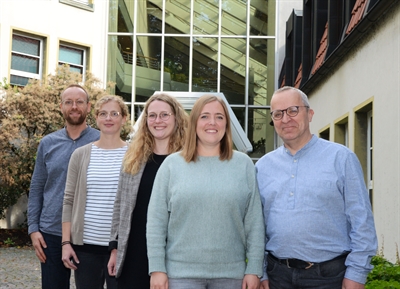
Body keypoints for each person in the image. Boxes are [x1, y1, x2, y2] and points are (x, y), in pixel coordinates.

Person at [256, 86, 377, 289]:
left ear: (310, 114)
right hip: (277, 277)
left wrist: (357, 273)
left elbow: (361, 221)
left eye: (293, 110)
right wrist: (260, 273)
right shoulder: (262, 167)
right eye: (278, 114)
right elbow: (256, 227)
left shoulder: (341, 158)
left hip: (329, 278)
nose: (286, 119)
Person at [146, 94, 265, 289]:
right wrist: (157, 268)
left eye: (219, 117)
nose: (212, 122)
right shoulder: (171, 165)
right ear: (193, 123)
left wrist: (254, 269)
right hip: (181, 276)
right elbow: (156, 222)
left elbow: (254, 222)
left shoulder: (243, 165)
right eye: (204, 116)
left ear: (226, 124)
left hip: (232, 276)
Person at [107, 93, 188, 288]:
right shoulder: (134, 158)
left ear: (176, 118)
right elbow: (120, 204)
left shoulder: (189, 160)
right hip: (134, 251)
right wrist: (115, 248)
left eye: (164, 115)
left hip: (175, 254)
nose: (157, 121)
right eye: (152, 116)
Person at [27, 84, 100, 289]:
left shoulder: (101, 142)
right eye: (69, 102)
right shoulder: (48, 143)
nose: (74, 106)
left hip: (88, 233)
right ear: (61, 107)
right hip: (51, 232)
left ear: (88, 106)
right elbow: (37, 187)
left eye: (79, 102)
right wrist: (34, 229)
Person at [61, 95, 129, 289]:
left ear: (124, 118)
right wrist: (66, 243)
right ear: (96, 118)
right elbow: (68, 201)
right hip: (85, 248)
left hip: (121, 247)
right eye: (103, 113)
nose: (108, 118)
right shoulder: (80, 155)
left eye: (114, 113)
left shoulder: (135, 155)